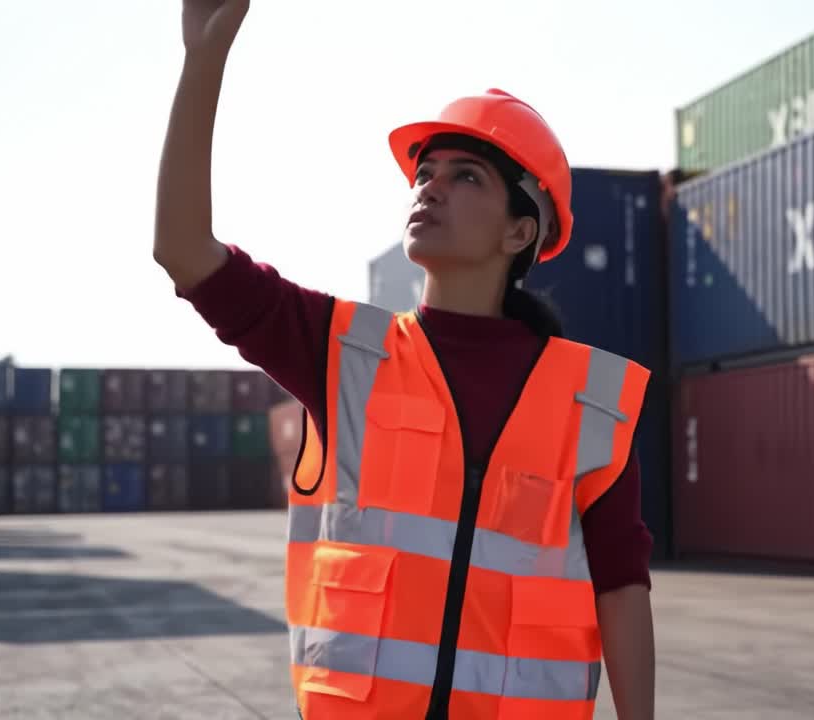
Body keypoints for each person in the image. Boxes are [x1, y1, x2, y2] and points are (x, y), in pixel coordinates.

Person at [153, 2, 657, 718]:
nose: (430, 186)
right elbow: (182, 249)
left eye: (466, 177)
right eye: (426, 172)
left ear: (522, 231)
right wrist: (202, 60)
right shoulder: (338, 351)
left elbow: (621, 583)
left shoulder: (593, 400)